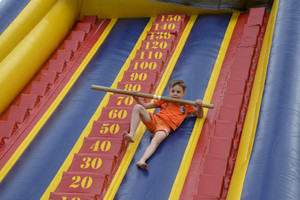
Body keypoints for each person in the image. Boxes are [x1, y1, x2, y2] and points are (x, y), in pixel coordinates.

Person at [123, 79, 204, 170]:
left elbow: (200, 115)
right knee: (137, 107)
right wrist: (136, 98)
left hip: (165, 127)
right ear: (169, 91)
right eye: (173, 91)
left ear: (183, 94)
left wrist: (200, 106)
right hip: (155, 120)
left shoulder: (186, 105)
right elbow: (145, 106)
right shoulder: (165, 100)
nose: (175, 94)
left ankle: (142, 160)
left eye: (178, 92)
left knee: (156, 141)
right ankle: (131, 135)